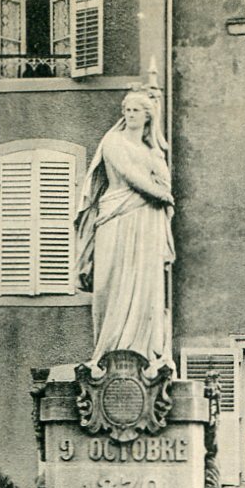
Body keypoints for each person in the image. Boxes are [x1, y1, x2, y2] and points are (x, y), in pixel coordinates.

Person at [74, 86, 175, 373]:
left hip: (145, 221)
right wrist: (160, 194)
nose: (129, 114)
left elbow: (164, 182)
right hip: (116, 217)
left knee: (145, 285)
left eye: (136, 110)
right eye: (126, 110)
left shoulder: (150, 151)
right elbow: (131, 177)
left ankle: (145, 349)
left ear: (147, 116)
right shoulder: (113, 141)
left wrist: (157, 161)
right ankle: (107, 349)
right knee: (111, 283)